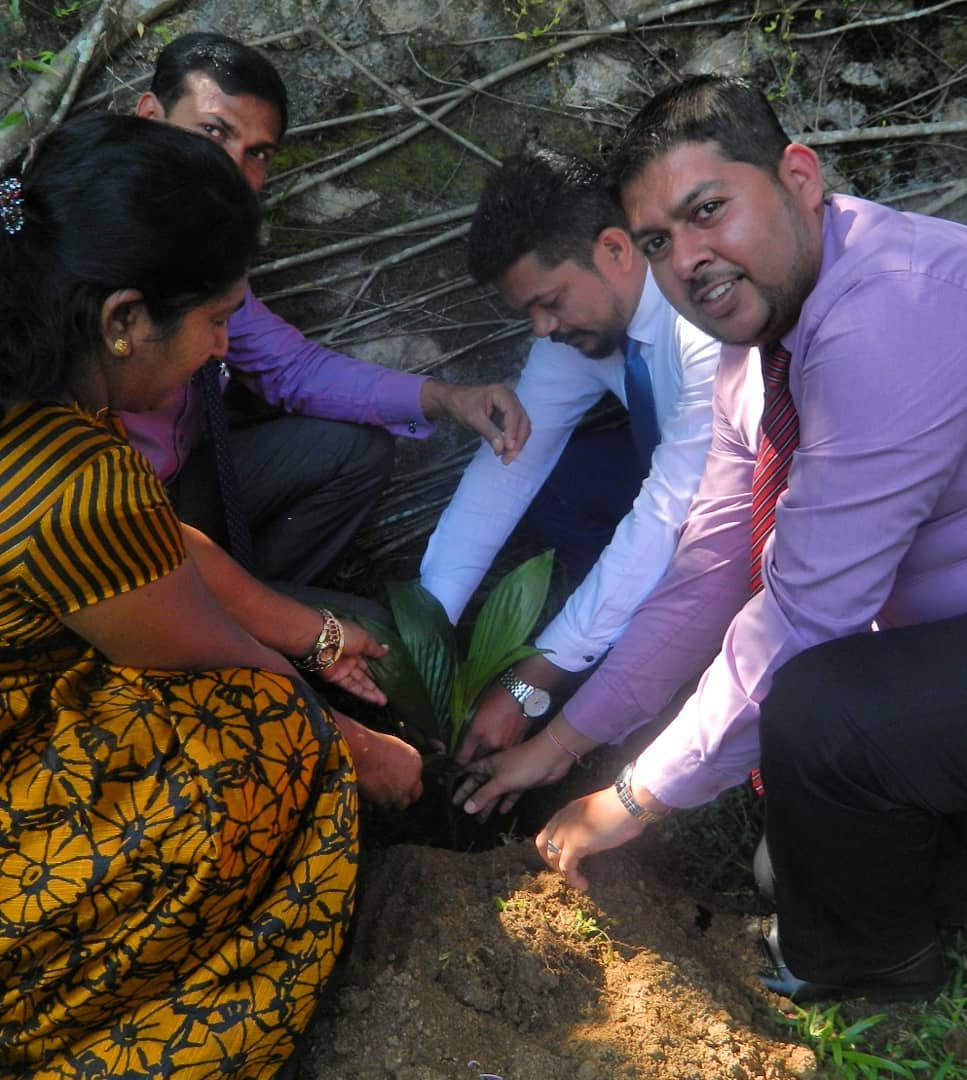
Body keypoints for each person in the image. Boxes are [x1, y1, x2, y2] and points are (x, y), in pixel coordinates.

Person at [462, 74, 967, 1002]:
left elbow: (806, 612)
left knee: (822, 721)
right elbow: (711, 564)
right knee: (801, 859)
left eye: (710, 209)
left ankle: (868, 970)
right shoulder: (757, 352)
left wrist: (633, 797)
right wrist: (562, 745)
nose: (692, 260)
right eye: (664, 241)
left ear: (797, 176)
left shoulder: (895, 311)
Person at [0, 112, 422, 1076]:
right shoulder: (74, 483)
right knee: (270, 730)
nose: (223, 350)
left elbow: (160, 544)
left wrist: (317, 633)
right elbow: (215, 654)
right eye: (215, 321)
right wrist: (366, 751)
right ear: (123, 319)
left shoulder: (35, 400)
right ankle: (88, 1011)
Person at [127, 31, 530, 586]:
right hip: (91, 516)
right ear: (150, 118)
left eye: (257, 154)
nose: (230, 171)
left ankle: (255, 616)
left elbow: (288, 367)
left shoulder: (208, 252)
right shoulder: (89, 238)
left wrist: (444, 398)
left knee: (352, 450)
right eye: (212, 132)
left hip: (174, 488)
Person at [418, 148, 723, 763]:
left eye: (550, 302)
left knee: (662, 552)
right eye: (527, 310)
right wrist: (424, 629)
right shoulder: (578, 331)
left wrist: (533, 681)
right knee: (554, 482)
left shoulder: (702, 330)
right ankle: (606, 615)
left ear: (615, 249)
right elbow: (511, 464)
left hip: (741, 509)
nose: (540, 327)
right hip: (664, 467)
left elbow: (664, 520)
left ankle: (655, 659)